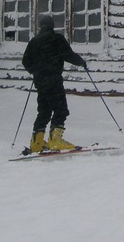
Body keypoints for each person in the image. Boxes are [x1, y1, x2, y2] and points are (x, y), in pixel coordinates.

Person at [22, 15, 87, 152]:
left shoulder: (34, 42)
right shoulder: (57, 39)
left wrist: (35, 71)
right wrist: (81, 62)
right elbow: (68, 55)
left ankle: (36, 143)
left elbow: (25, 61)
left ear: (40, 26)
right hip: (53, 80)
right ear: (52, 26)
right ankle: (56, 141)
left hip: (40, 81)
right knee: (61, 109)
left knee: (44, 111)